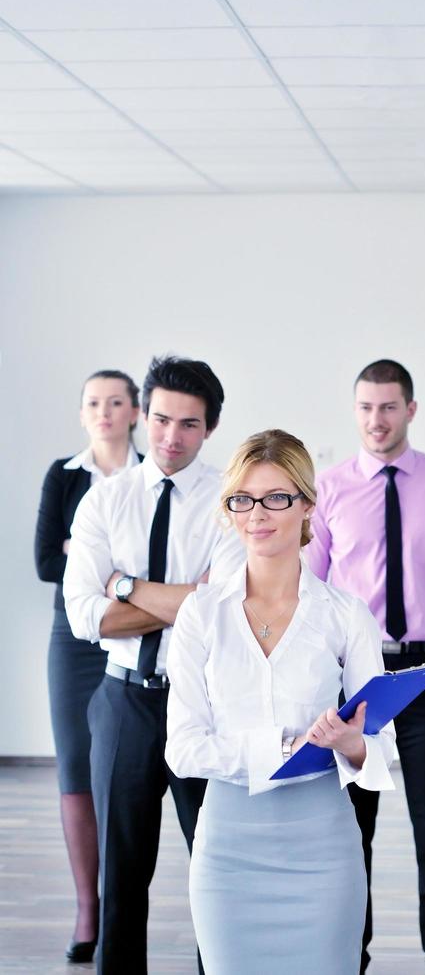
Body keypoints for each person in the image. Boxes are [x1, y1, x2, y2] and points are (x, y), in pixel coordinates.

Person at [165, 429, 395, 975]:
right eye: (242, 500)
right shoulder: (201, 615)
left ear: (307, 504)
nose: (257, 514)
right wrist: (283, 746)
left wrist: (351, 744)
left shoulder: (345, 613)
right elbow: (182, 750)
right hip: (226, 852)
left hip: (324, 849)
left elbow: (382, 749)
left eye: (276, 497)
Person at [63, 355, 245, 975]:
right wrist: (180, 597)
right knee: (122, 873)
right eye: (162, 419)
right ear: (144, 414)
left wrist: (124, 585)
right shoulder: (103, 503)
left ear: (210, 428)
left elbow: (221, 610)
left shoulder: (231, 506)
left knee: (212, 870)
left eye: (188, 425)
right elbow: (87, 618)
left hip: (205, 704)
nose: (171, 437)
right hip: (123, 703)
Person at [307, 359, 425, 975]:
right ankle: (348, 954)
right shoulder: (326, 489)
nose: (375, 420)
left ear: (411, 409)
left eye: (388, 407)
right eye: (364, 407)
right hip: (356, 675)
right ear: (353, 411)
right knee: (352, 827)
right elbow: (312, 590)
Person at [34, 368, 142, 963]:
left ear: (134, 412)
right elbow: (48, 560)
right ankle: (87, 909)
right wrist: (110, 564)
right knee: (76, 767)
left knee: (125, 770)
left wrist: (93, 555)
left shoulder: (152, 477)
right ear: (83, 414)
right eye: (93, 403)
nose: (104, 411)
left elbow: (156, 560)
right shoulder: (65, 476)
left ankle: (122, 899)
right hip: (73, 640)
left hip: (140, 633)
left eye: (116, 402)